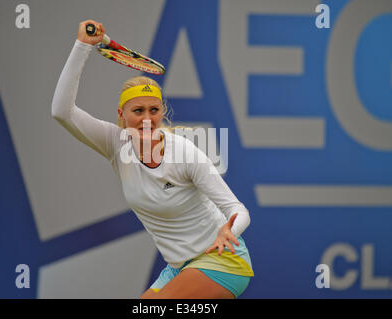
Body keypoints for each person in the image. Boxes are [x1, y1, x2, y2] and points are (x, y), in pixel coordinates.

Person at [51, 20, 254, 299]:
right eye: (138, 110)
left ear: (162, 112)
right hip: (179, 267)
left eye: (153, 110)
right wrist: (82, 46)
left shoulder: (184, 153)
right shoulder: (114, 143)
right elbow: (62, 111)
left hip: (223, 260)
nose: (147, 119)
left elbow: (238, 210)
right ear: (121, 114)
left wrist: (227, 231)